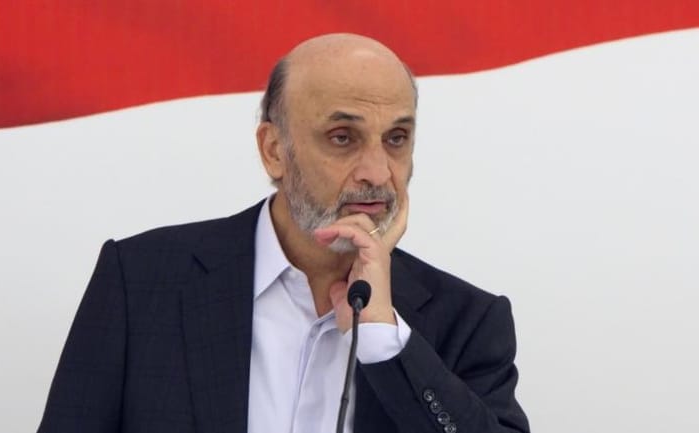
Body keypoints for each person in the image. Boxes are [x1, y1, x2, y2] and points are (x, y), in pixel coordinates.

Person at [38, 33, 529, 433]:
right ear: (274, 150)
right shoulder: (141, 281)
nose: (378, 173)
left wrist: (384, 335)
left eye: (396, 138)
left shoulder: (467, 321)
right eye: (343, 138)